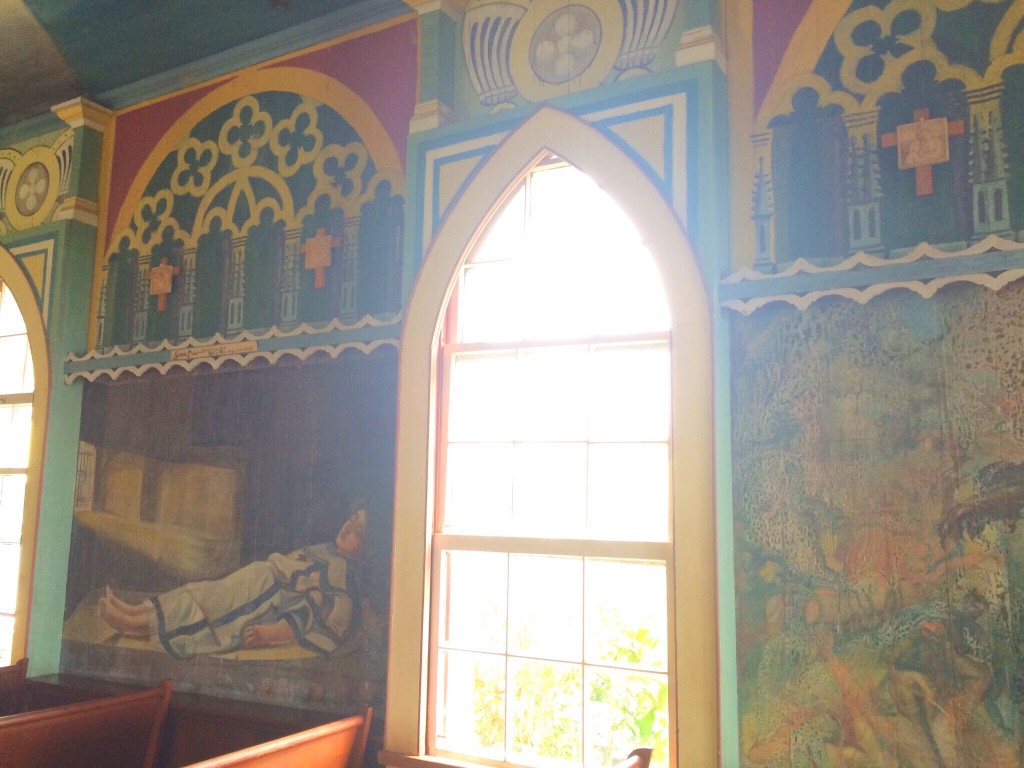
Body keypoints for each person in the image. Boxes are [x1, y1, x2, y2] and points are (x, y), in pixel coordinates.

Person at [99, 506, 366, 659]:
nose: (347, 527)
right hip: (258, 582)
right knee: (200, 591)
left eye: (357, 531)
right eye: (351, 520)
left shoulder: (343, 578)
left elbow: (311, 612)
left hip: (265, 600)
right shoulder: (326, 551)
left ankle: (136, 624)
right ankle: (135, 612)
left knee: (204, 610)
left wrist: (269, 634)